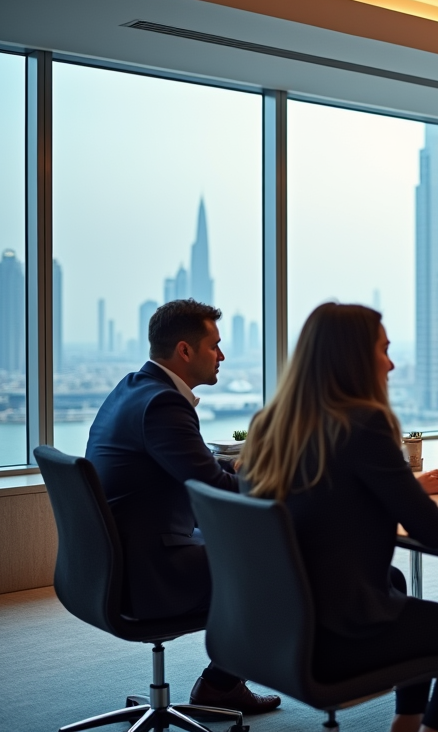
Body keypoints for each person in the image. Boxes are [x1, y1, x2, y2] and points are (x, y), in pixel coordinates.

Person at [242, 303, 438, 732]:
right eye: (383, 349)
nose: (391, 362)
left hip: (268, 627)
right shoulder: (364, 423)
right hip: (332, 639)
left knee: (395, 583)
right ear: (354, 357)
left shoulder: (271, 426)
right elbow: (432, 531)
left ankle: (405, 724)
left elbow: (330, 494)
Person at [86, 299, 281, 713]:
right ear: (185, 350)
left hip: (111, 561)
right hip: (150, 571)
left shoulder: (134, 387)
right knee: (281, 568)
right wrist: (278, 482)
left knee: (251, 547)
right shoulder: (164, 405)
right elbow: (214, 489)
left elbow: (187, 464)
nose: (223, 356)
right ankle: (221, 684)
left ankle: (222, 680)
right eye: (215, 346)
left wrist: (231, 464)